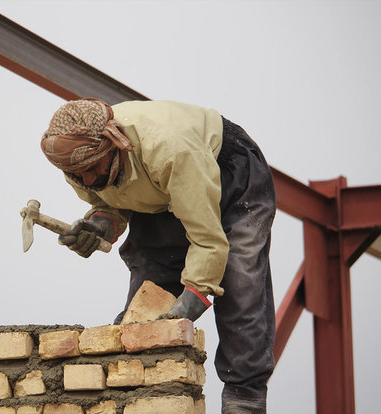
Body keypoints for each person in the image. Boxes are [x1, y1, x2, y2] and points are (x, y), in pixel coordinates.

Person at [40, 98, 276, 414]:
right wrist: (100, 224)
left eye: (92, 169)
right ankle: (139, 394)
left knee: (238, 280)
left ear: (115, 146)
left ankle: (243, 401)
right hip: (160, 190)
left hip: (229, 171)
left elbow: (208, 241)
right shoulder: (76, 161)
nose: (86, 181)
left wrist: (196, 294)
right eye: (76, 175)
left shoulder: (171, 152)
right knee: (149, 296)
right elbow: (110, 199)